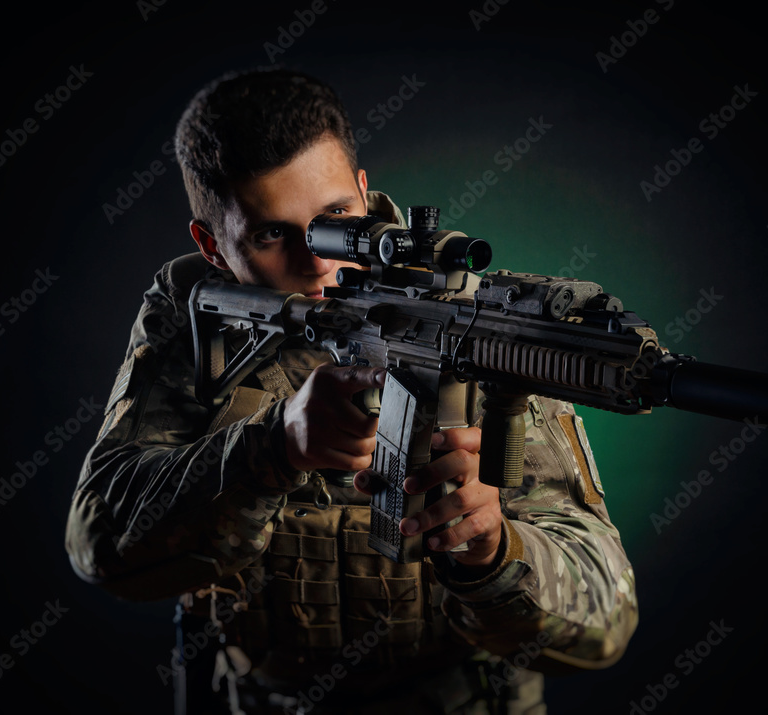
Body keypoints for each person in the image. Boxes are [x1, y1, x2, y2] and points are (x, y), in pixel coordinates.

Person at [65, 68, 638, 715]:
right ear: (212, 246)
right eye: (271, 233)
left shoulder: (465, 320)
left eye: (336, 217)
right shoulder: (195, 312)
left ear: (365, 194)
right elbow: (101, 544)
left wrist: (496, 551)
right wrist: (275, 448)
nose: (317, 262)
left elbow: (606, 623)